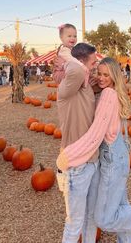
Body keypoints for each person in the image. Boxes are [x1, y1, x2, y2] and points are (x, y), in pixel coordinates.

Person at [57, 57, 131, 242]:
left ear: (114, 76)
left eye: (106, 75)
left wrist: (68, 155)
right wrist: (91, 81)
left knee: (104, 219)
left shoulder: (108, 96)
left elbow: (95, 135)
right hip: (117, 157)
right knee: (120, 207)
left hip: (112, 160)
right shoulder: (111, 92)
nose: (102, 78)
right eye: (99, 73)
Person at [54, 43, 100, 243]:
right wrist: (67, 58)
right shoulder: (66, 88)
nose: (96, 63)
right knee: (74, 222)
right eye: (93, 61)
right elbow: (73, 69)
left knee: (91, 217)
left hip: (93, 160)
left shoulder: (85, 84)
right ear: (81, 62)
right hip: (76, 164)